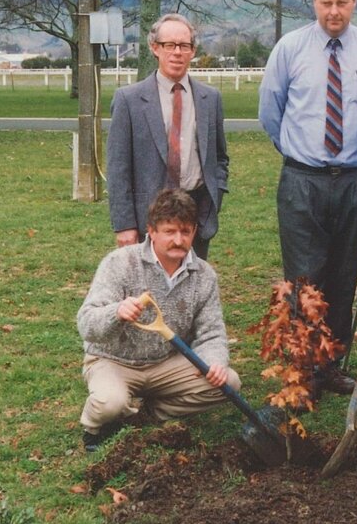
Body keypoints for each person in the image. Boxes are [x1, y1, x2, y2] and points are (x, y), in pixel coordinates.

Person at [258, 0, 357, 399]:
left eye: (342, 2)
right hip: (303, 181)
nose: (334, 10)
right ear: (314, 2)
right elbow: (271, 112)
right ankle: (302, 367)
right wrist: (302, 156)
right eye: (325, 2)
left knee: (344, 276)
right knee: (304, 280)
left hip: (355, 180)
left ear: (355, 1)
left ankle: (331, 364)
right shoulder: (290, 47)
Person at [77, 189, 239, 451]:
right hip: (114, 360)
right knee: (110, 403)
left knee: (228, 383)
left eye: (185, 232)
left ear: (194, 232)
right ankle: (95, 429)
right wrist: (116, 312)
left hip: (165, 363)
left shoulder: (204, 275)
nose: (178, 240)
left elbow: (212, 332)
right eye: (169, 231)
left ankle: (148, 415)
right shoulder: (119, 263)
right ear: (151, 231)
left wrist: (214, 361)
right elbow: (86, 323)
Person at [107, 13, 228, 260]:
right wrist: (124, 224)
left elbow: (219, 158)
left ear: (193, 51)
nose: (177, 52)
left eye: (184, 46)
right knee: (147, 294)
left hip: (195, 215)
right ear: (155, 48)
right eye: (169, 45)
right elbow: (118, 168)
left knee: (191, 290)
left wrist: (213, 201)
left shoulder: (210, 99)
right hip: (147, 218)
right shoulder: (128, 100)